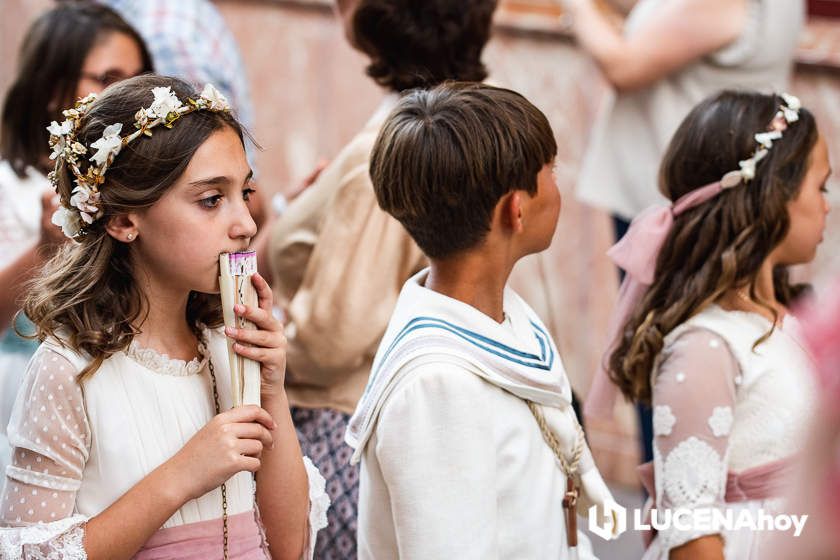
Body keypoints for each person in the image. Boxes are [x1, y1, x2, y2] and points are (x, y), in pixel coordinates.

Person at [0, 75, 329, 559]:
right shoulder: (68, 369)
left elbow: (290, 547)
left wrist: (272, 391)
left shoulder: (229, 347)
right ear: (124, 220)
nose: (247, 224)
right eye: (212, 199)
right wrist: (183, 474)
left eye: (245, 192)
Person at [257, 1, 497, 556]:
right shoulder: (460, 118)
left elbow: (334, 337)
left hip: (339, 424)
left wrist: (256, 341)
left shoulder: (396, 147)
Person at [346, 82, 622, 559]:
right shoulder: (436, 388)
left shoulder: (505, 316)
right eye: (550, 171)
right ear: (515, 209)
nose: (559, 185)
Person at [569, 0, 806, 464]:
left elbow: (624, 65)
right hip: (707, 199)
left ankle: (678, 517)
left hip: (685, 209)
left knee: (666, 373)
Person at [602, 90, 830, 558]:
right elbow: (692, 536)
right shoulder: (705, 347)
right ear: (775, 194)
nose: (829, 203)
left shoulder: (786, 317)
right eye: (821, 186)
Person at [0, 0, 153, 474]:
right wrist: (45, 252)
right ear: (52, 89)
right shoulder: (10, 187)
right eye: (107, 79)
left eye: (138, 79)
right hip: (25, 399)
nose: (126, 96)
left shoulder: (140, 190)